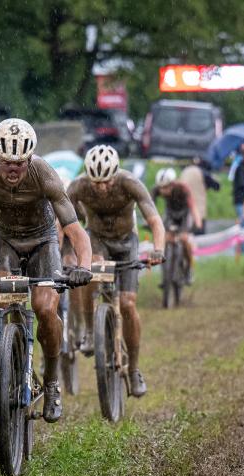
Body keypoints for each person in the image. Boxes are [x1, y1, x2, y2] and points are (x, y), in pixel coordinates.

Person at [0, 118, 93, 423]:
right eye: (6, 163)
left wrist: (83, 266)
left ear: (30, 159)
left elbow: (74, 229)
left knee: (45, 307)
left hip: (43, 240)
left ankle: (53, 382)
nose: (12, 170)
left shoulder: (45, 174)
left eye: (19, 163)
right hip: (2, 238)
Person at [66, 145, 165, 396]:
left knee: (128, 304)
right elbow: (62, 220)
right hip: (97, 240)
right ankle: (90, 331)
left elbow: (153, 218)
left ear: (115, 173)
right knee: (89, 269)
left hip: (126, 243)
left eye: (106, 181)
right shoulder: (78, 186)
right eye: (95, 181)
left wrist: (158, 248)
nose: (101, 187)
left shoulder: (129, 182)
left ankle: (133, 369)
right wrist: (65, 252)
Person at [152, 168, 202, 280]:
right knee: (164, 238)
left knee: (184, 239)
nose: (163, 190)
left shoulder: (183, 188)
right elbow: (150, 208)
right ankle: (166, 272)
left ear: (173, 184)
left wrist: (197, 223)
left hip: (185, 214)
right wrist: (151, 224)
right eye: (161, 187)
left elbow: (193, 207)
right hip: (170, 214)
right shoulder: (156, 190)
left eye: (166, 187)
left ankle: (189, 268)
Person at [179, 158, 208, 234]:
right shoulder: (202, 172)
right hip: (199, 206)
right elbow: (216, 185)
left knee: (186, 232)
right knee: (199, 234)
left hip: (185, 207)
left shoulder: (184, 172)